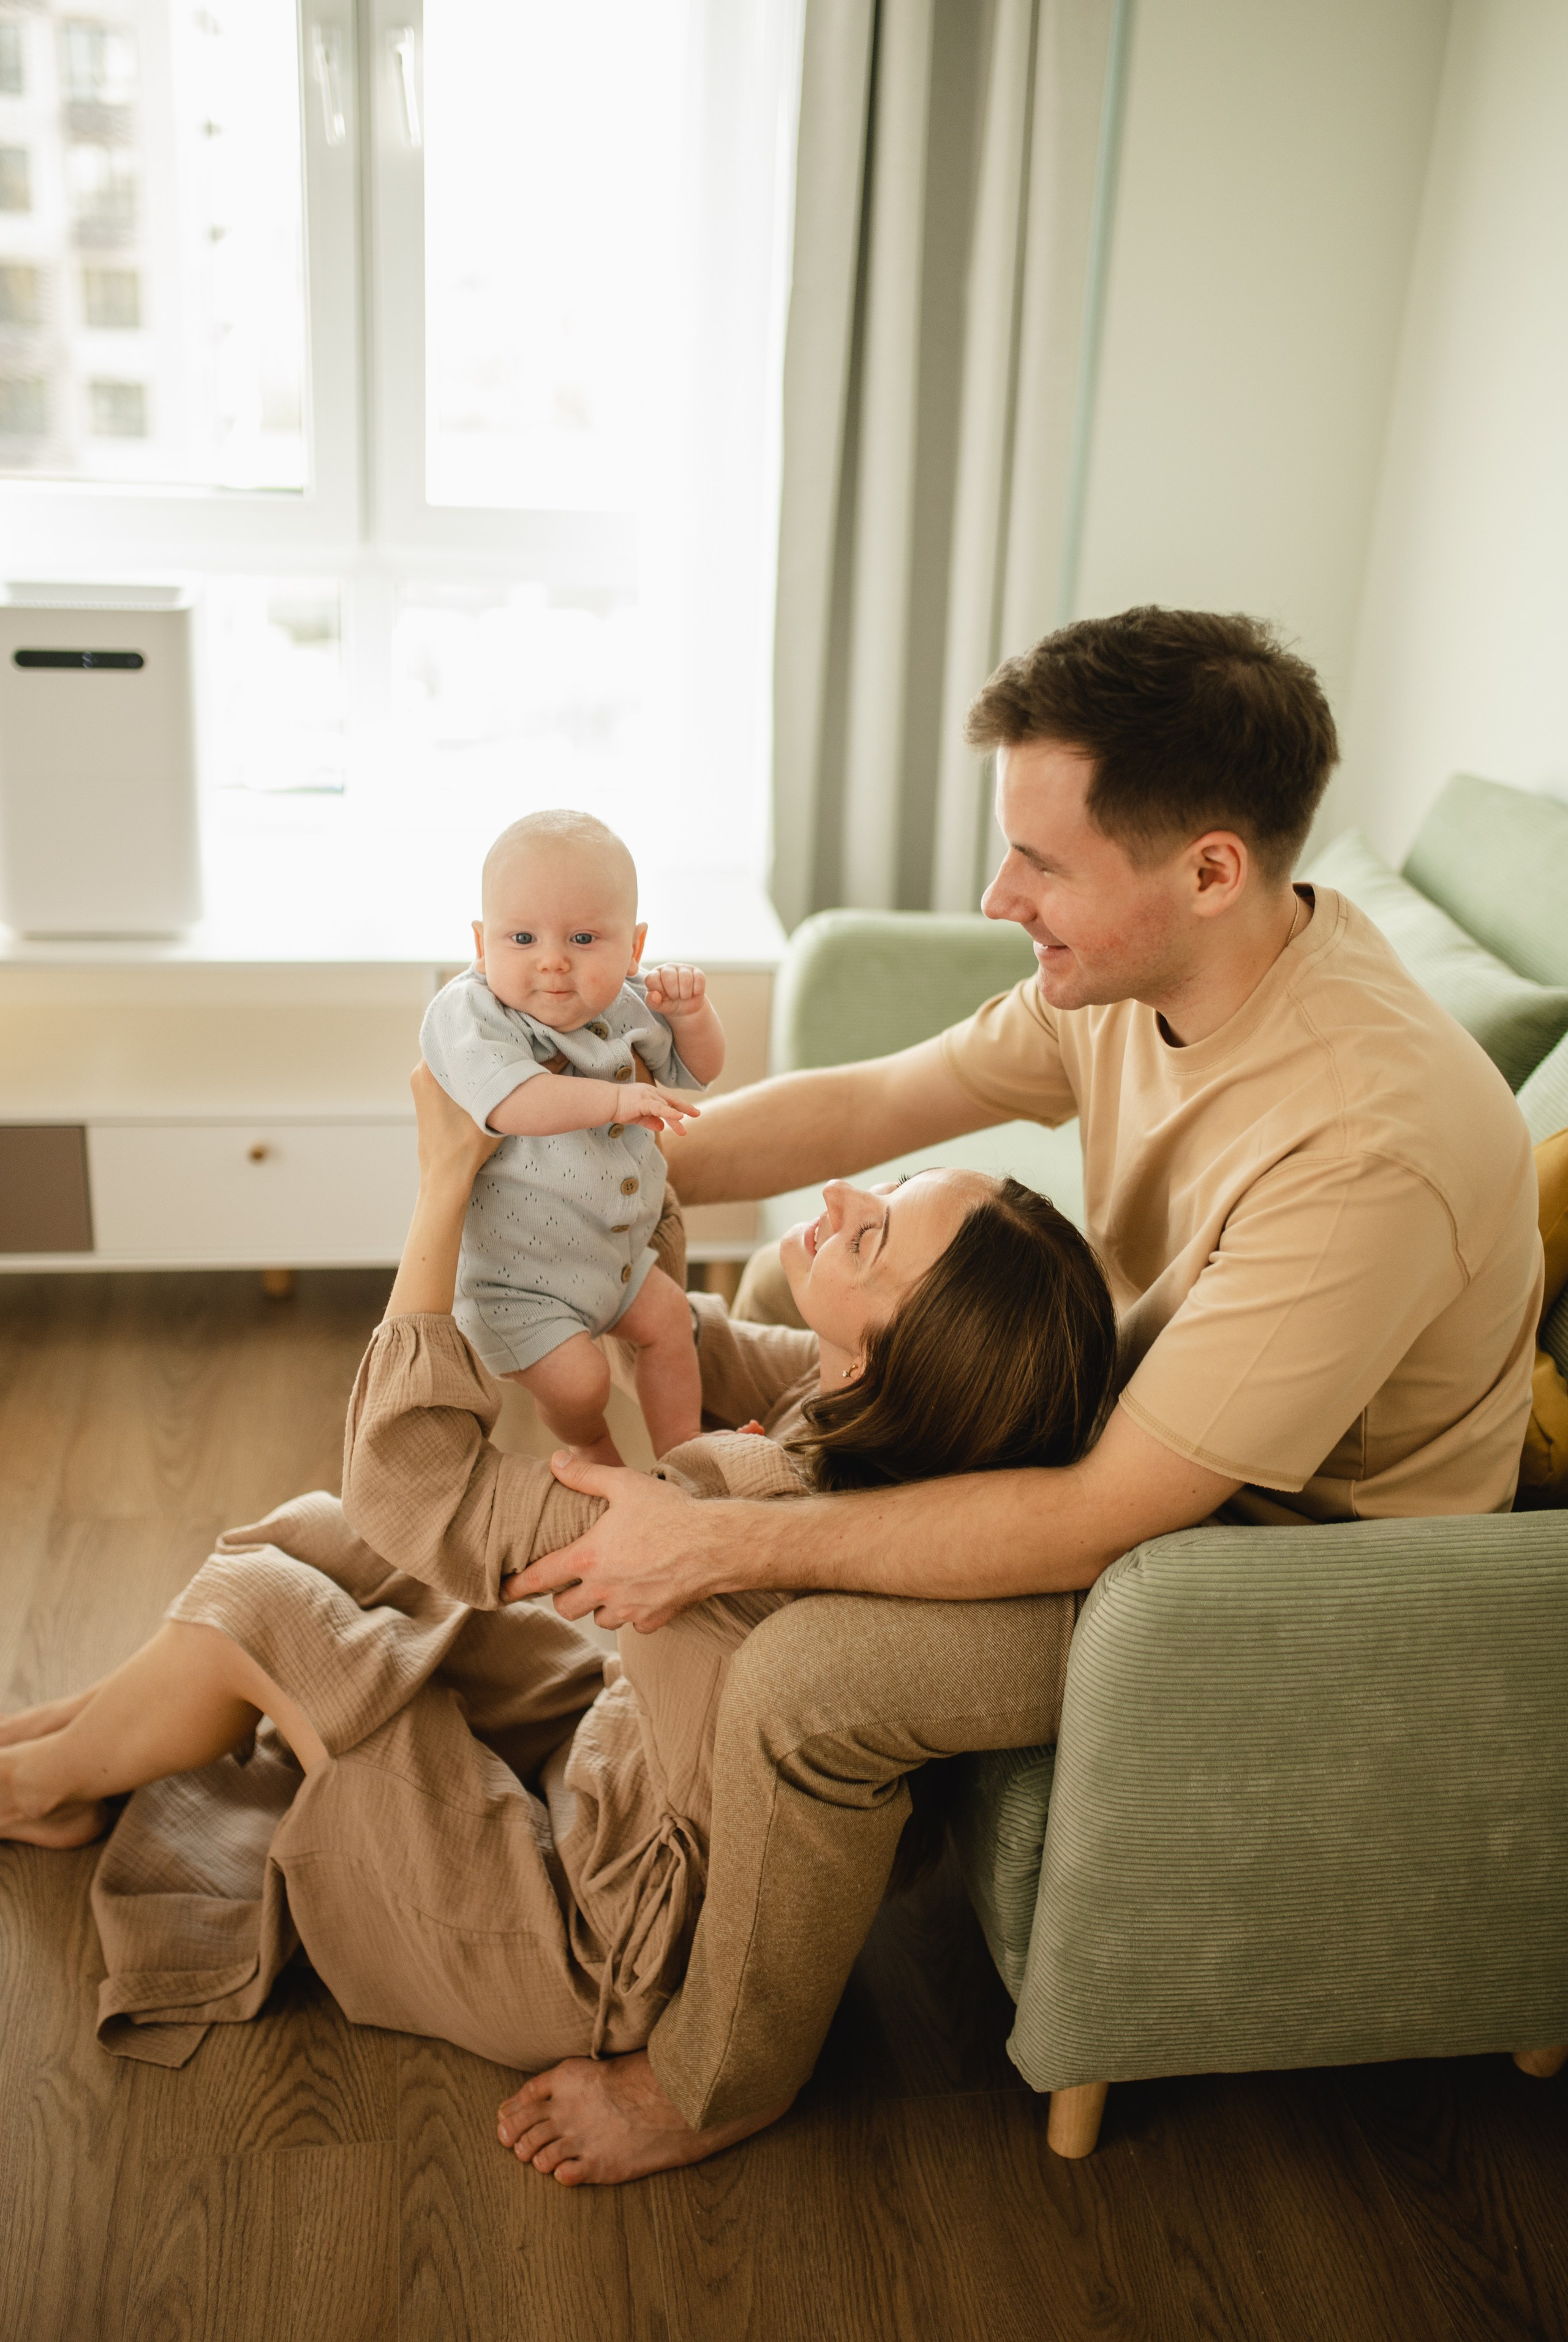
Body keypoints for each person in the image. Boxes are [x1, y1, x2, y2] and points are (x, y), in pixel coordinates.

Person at [503, 605, 1545, 2180]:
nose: (1000, 899)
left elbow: (1111, 1516)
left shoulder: (1362, 1141)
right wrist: (574, 1160)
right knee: (798, 1288)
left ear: (1205, 866)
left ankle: (717, 2079)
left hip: (1284, 1573)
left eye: (1038, 863)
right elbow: (873, 1097)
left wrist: (722, 1547)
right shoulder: (1160, 972)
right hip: (1170, 1429)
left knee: (809, 1682)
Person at [0, 1065, 1115, 2186]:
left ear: (882, 1356)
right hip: (614, 1759)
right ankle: (63, 1747)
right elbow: (682, 1327)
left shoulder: (742, 1506)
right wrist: (601, 1154)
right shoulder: (881, 1435)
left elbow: (414, 1486)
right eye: (889, 1186)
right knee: (315, 1532)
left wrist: (445, 1190)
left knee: (267, 1606)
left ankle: (33, 1786)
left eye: (869, 1239)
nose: (837, 1197)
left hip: (580, 1937)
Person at [420, 808, 722, 1463]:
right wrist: (616, 1097)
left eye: (583, 938)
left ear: (634, 947)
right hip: (518, 1281)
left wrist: (691, 1012)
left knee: (674, 1323)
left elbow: (699, 1069)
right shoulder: (471, 1012)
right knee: (581, 1384)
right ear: (481, 940)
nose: (553, 962)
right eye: (522, 937)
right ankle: (597, 1458)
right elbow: (516, 1102)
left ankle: (688, 1459)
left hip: (611, 1257)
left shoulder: (628, 1001)